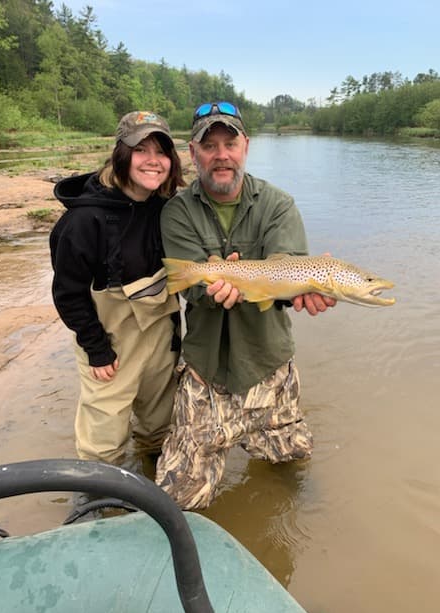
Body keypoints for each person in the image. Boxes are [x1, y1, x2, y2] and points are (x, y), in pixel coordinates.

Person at [154, 101, 336, 509]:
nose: (222, 155)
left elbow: (288, 272)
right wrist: (210, 285)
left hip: (267, 361)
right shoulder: (176, 212)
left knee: (291, 471)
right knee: (176, 502)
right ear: (193, 153)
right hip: (206, 367)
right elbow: (191, 287)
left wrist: (304, 290)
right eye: (210, 145)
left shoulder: (278, 205)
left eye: (230, 143)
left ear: (246, 147)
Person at [50, 111, 185, 468]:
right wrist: (95, 348)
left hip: (160, 339)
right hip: (109, 346)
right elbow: (67, 294)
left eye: (162, 151)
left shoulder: (168, 209)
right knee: (103, 444)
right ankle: (98, 502)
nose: (153, 161)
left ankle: (152, 481)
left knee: (159, 429)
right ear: (121, 155)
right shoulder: (82, 221)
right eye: (141, 150)